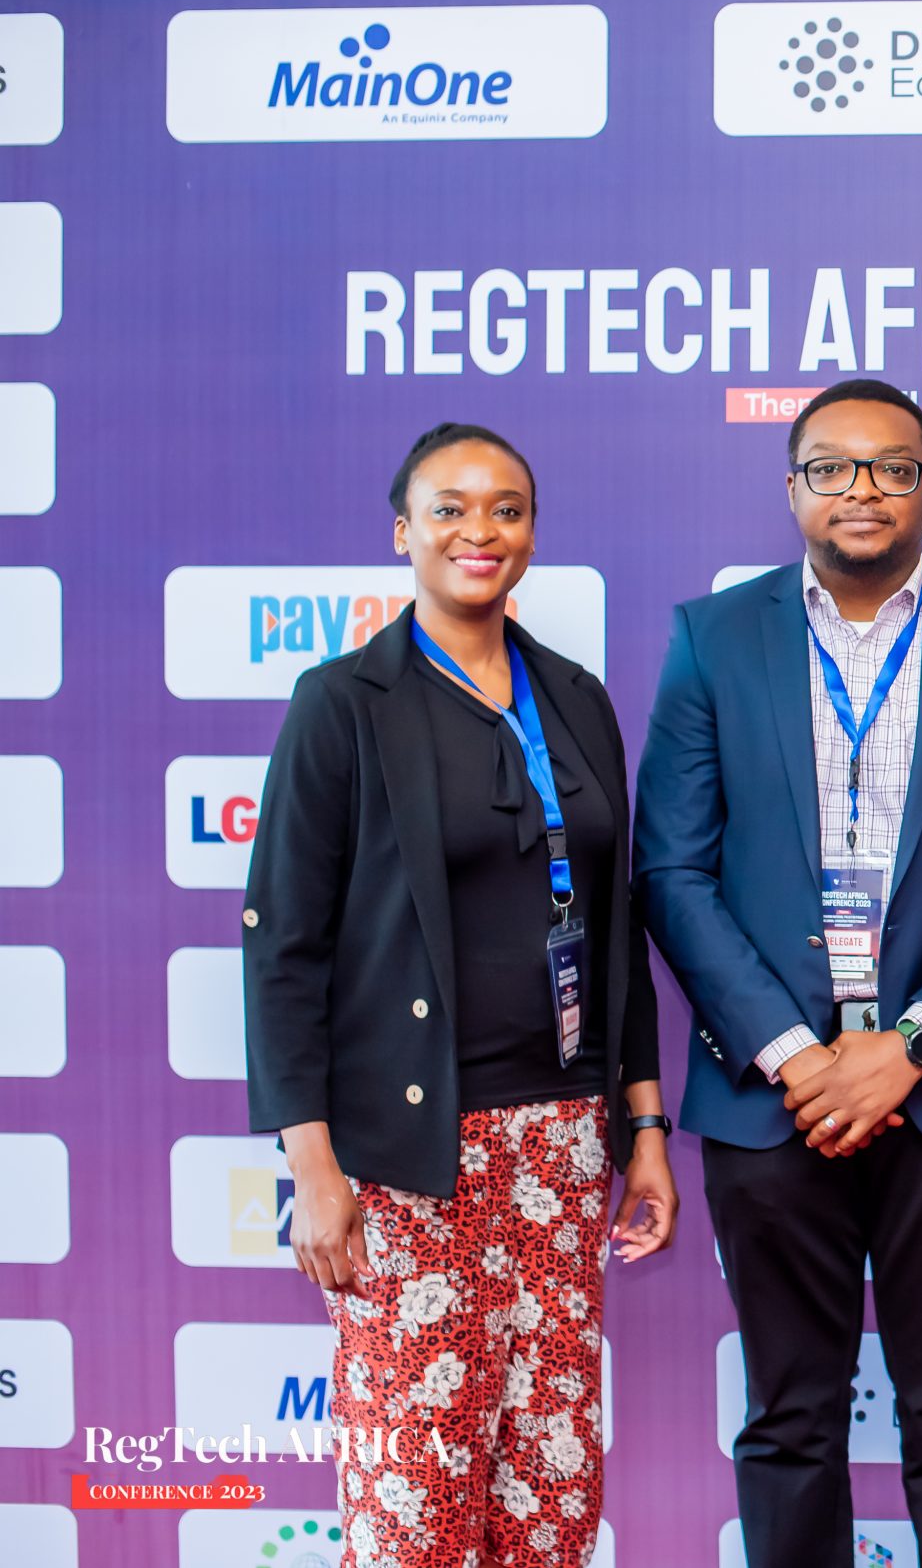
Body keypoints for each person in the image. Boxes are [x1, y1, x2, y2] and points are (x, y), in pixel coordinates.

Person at [635, 378, 922, 1568]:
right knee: (789, 1419)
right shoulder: (712, 637)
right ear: (793, 490)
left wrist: (911, 1045)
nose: (862, 489)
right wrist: (797, 1054)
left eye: (892, 467)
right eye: (831, 467)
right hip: (770, 1096)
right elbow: (672, 868)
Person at [245, 422, 676, 1568]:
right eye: (449, 507)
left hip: (562, 1149)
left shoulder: (575, 697)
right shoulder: (343, 701)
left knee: (549, 1495)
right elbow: (283, 948)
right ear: (403, 532)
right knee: (416, 1508)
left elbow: (615, 928)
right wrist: (313, 1167)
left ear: (531, 530)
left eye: (506, 508)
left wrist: (641, 1126)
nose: (479, 530)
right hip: (408, 1160)